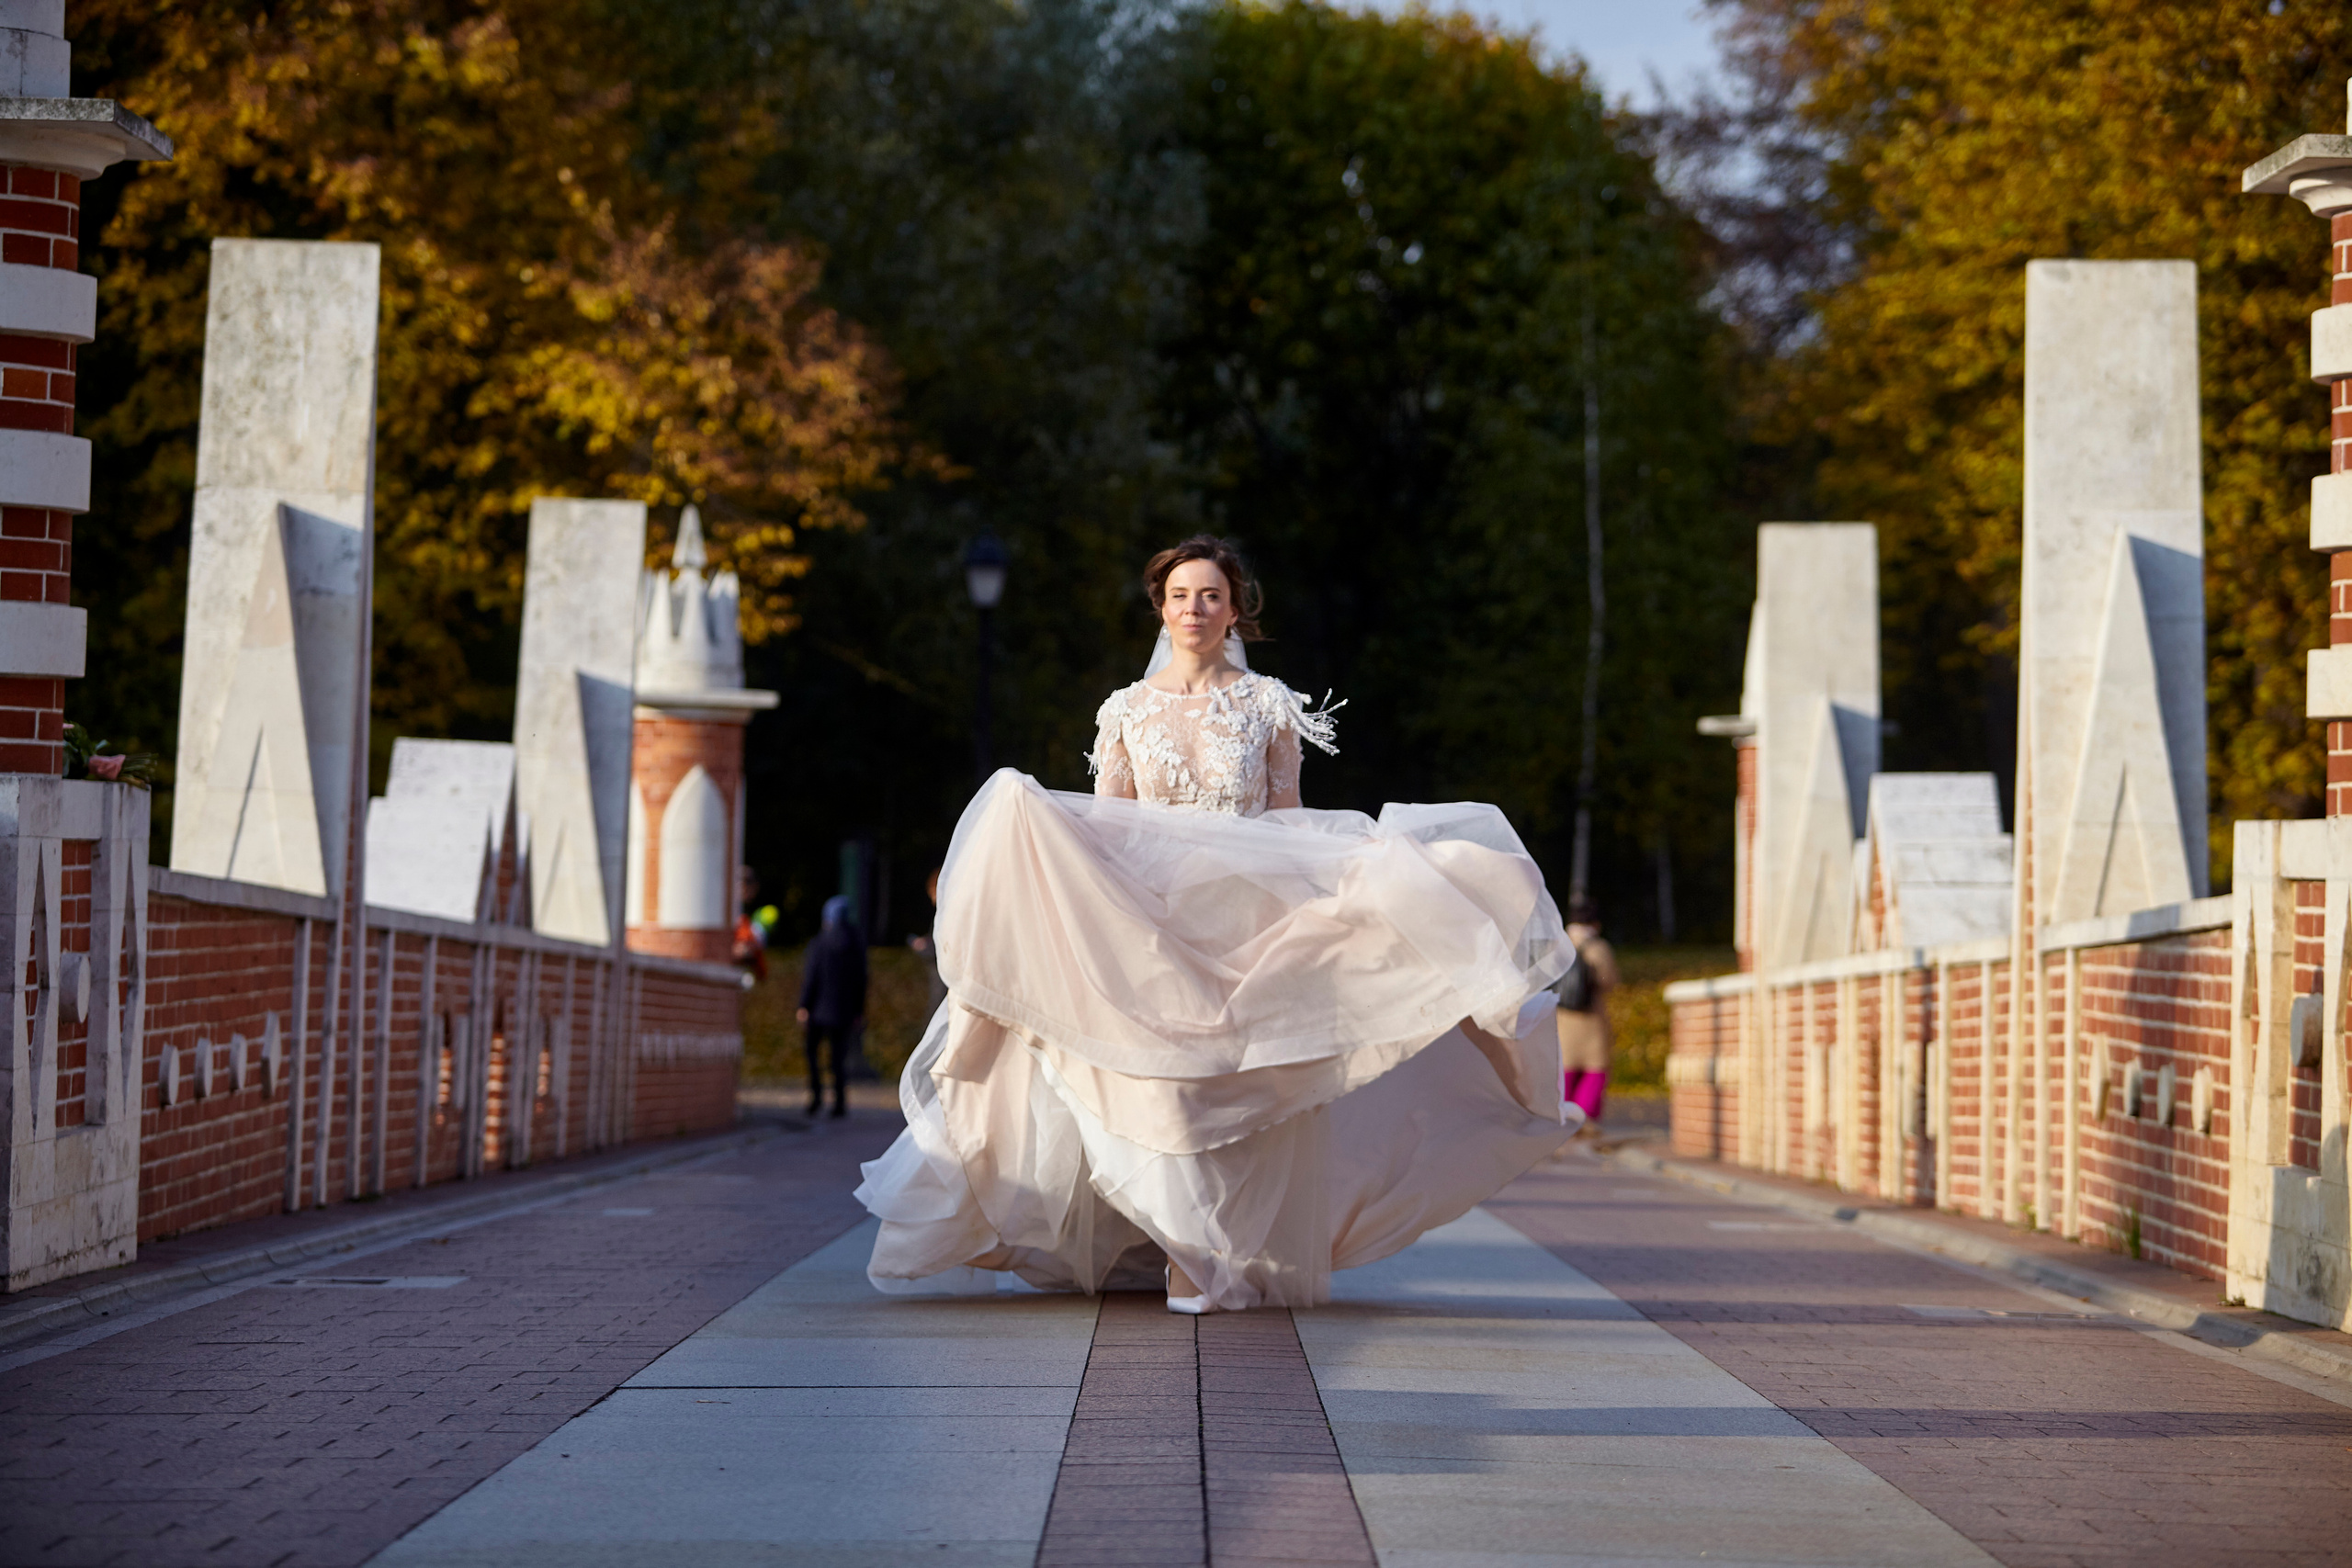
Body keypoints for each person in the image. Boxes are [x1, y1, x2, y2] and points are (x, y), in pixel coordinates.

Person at [854, 535, 1580, 1313]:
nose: (1193, 609)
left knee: (1241, 1095)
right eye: (1178, 596)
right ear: (1160, 610)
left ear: (1236, 608)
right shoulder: (1125, 710)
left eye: (1209, 595)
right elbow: (1116, 823)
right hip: (1153, 922)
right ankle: (1187, 1250)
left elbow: (1286, 815)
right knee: (1162, 1086)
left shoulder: (1267, 703)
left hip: (1246, 920)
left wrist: (1344, 876)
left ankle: (1207, 1252)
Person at [797, 896, 867, 1119]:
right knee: (838, 1058)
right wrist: (859, 1010)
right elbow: (862, 981)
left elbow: (812, 977)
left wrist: (804, 1005)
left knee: (812, 1053)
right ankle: (839, 1103)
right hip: (844, 1011)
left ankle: (816, 1098)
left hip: (818, 1010)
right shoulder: (856, 945)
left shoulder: (820, 943)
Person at [1555, 898, 1619, 1134]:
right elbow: (1608, 981)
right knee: (1595, 1070)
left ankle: (1563, 1119)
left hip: (1561, 1017)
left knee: (1566, 1070)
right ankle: (1583, 1120)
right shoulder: (1598, 948)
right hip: (1591, 1019)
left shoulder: (1558, 944)